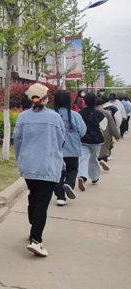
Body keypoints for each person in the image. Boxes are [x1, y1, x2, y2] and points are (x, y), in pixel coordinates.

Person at [13, 84, 65, 257]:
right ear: (46, 98)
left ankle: (33, 222)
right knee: (42, 204)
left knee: (34, 196)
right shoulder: (55, 117)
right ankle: (36, 240)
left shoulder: (22, 117)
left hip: (28, 165)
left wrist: (20, 160)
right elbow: (61, 140)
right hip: (48, 165)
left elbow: (17, 140)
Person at [53, 91, 87, 206]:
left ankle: (60, 197)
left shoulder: (51, 115)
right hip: (72, 148)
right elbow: (82, 131)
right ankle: (69, 183)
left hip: (55, 149)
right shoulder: (75, 115)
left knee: (57, 172)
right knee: (72, 169)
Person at [77, 93, 106, 191]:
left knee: (83, 159)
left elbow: (78, 127)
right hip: (97, 140)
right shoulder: (100, 114)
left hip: (83, 139)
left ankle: (82, 176)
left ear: (84, 101)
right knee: (94, 158)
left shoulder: (80, 113)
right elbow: (104, 127)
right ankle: (94, 177)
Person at [97, 97, 120, 171]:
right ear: (102, 104)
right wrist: (117, 135)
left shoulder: (88, 111)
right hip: (105, 132)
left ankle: (97, 160)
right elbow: (112, 125)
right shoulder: (105, 113)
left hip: (92, 133)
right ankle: (103, 160)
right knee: (105, 147)